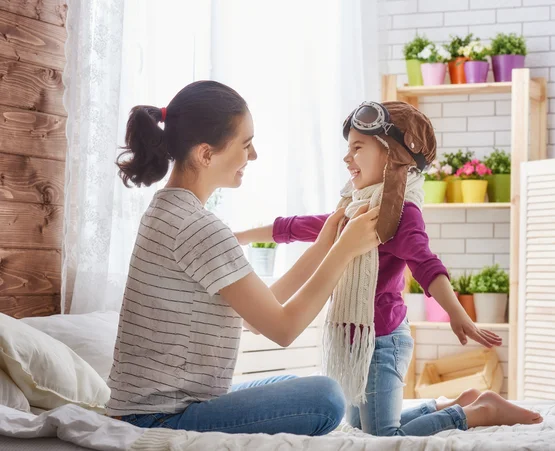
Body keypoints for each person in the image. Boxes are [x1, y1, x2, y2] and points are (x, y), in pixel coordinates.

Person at [236, 100, 543, 436]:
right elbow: (297, 227)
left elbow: (426, 264)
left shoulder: (401, 214)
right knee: (362, 429)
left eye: (357, 148)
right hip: (358, 342)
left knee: (383, 439)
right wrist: (237, 235)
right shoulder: (355, 211)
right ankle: (456, 404)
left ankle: (478, 411)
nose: (346, 157)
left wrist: (457, 313)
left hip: (382, 343)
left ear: (392, 155)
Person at [106, 80, 381, 436]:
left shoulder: (167, 210)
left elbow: (256, 315)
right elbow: (283, 329)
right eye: (246, 144)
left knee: (291, 383)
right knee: (326, 397)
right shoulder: (197, 227)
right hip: (161, 419)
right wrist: (344, 252)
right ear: (206, 154)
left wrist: (325, 245)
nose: (253, 156)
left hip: (162, 408)